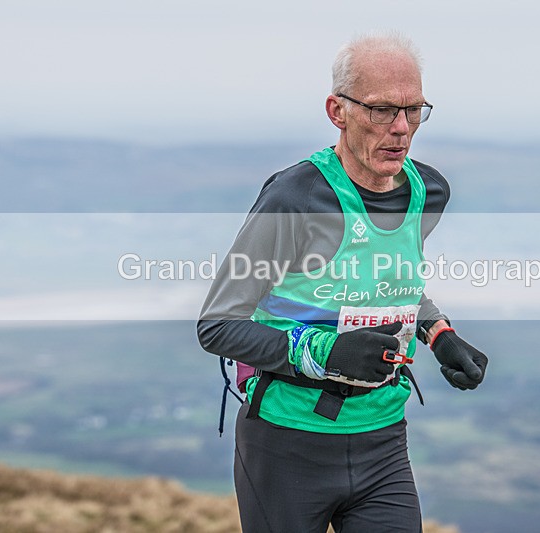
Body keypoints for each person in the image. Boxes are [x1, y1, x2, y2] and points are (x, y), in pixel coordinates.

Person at [197, 32, 488, 533]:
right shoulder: (297, 198)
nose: (401, 129)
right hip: (286, 445)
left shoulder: (428, 191)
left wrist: (439, 334)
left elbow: (390, 280)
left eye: (413, 110)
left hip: (383, 440)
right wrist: (324, 352)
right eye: (381, 110)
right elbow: (217, 326)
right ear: (337, 110)